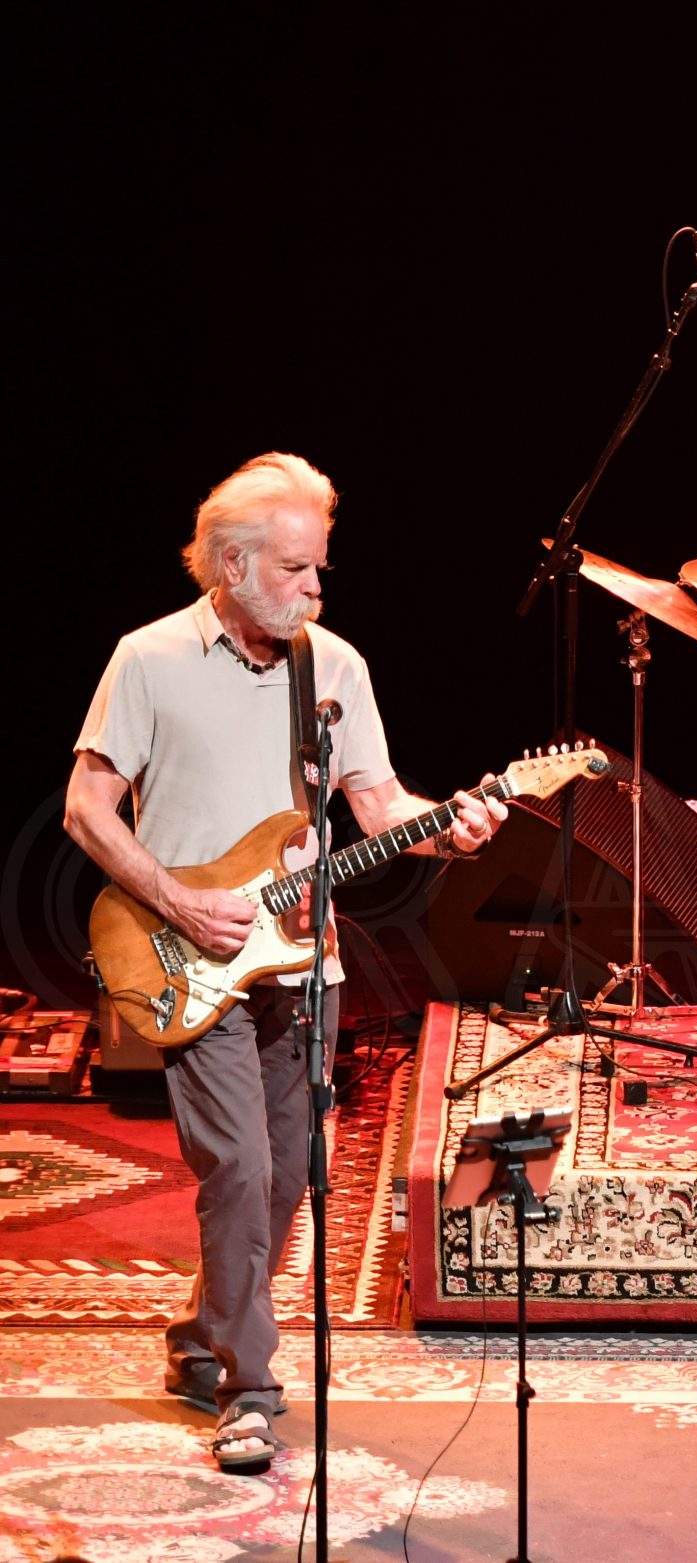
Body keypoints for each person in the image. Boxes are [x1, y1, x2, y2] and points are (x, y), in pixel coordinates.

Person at [63, 452, 508, 1471]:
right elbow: (87, 806)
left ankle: (196, 1339)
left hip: (303, 960)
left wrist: (453, 826)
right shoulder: (148, 659)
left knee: (285, 1180)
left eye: (320, 572)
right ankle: (250, 1390)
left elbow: (381, 807)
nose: (316, 589)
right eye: (297, 571)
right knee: (241, 1167)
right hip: (190, 955)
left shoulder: (334, 669)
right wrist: (178, 899)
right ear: (230, 565)